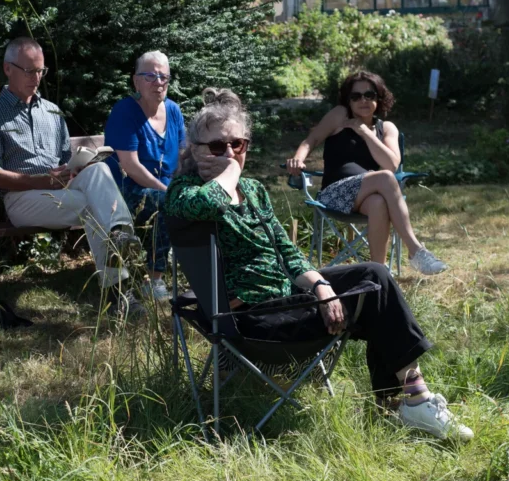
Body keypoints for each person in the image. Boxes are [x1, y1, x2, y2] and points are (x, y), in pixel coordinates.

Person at [167, 88, 471, 440]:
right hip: (252, 320)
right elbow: (207, 204)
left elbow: (287, 252)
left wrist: (321, 287)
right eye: (218, 147)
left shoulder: (253, 190)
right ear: (194, 150)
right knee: (374, 298)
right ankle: (407, 405)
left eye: (239, 145)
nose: (231, 154)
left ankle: (410, 400)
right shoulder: (184, 192)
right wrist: (231, 171)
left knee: (375, 275)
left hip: (290, 299)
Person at [0, 37, 144, 317]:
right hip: (19, 199)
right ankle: (122, 292)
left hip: (62, 189)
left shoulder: (52, 112)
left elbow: (65, 160)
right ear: (7, 69)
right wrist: (42, 181)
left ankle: (119, 238)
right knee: (96, 208)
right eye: (29, 71)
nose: (36, 78)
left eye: (41, 71)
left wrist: (76, 166)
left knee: (98, 170)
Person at [287, 71, 447, 275]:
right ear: (348, 100)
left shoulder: (387, 128)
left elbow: (391, 164)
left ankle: (377, 275)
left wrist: (364, 131)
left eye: (369, 95)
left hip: (364, 196)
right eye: (356, 96)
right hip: (333, 195)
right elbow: (312, 140)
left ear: (379, 98)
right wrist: (298, 158)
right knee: (385, 178)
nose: (363, 100)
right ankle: (415, 250)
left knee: (379, 203)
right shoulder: (339, 116)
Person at [104, 51, 186, 303]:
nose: (158, 82)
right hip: (126, 189)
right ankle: (154, 279)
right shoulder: (125, 111)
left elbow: (183, 156)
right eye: (150, 76)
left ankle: (205, 271)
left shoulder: (173, 110)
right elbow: (131, 166)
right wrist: (169, 190)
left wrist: (187, 185)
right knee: (165, 203)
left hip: (165, 187)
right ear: (135, 81)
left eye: (163, 76)